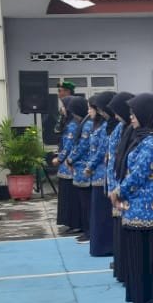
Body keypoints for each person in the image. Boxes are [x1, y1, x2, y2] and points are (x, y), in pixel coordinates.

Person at [113, 93, 153, 303]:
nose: (131, 117)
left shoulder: (151, 141)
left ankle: (148, 299)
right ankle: (146, 297)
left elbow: (139, 172)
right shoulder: (142, 137)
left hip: (148, 204)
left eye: (134, 113)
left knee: (146, 252)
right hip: (138, 203)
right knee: (140, 251)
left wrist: (119, 191)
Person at [84, 91, 118, 255]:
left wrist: (90, 165)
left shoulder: (107, 127)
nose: (91, 112)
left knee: (104, 213)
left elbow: (102, 151)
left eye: (93, 108)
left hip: (103, 173)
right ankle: (99, 245)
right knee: (98, 212)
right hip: (97, 174)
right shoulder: (99, 125)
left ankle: (106, 246)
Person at [107, 92, 135, 281]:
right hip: (117, 183)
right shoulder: (122, 127)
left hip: (124, 188)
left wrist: (119, 189)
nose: (115, 116)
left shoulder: (132, 131)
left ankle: (125, 266)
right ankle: (121, 264)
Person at [54, 96, 85, 235]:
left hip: (69, 166)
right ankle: (71, 223)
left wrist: (60, 159)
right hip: (67, 166)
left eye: (63, 106)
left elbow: (68, 145)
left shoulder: (73, 125)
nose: (61, 109)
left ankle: (75, 223)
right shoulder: (68, 122)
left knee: (71, 197)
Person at [65, 96, 93, 240]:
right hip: (80, 170)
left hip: (84, 169)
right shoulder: (83, 123)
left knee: (87, 203)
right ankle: (87, 230)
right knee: (84, 203)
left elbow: (82, 146)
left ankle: (89, 231)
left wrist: (70, 159)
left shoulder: (87, 125)